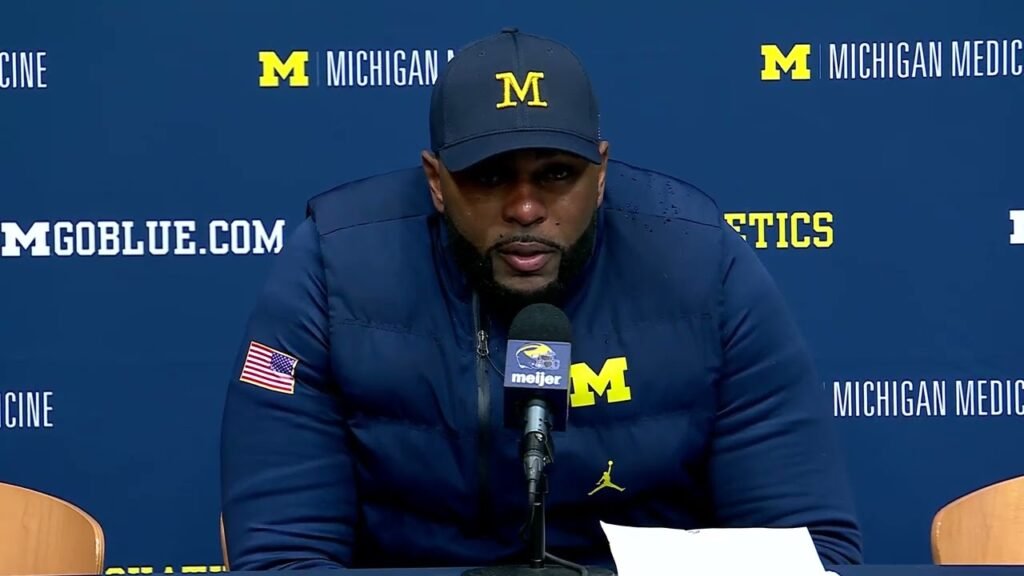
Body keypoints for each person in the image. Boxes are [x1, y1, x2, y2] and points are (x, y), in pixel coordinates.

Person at [219, 28, 863, 571]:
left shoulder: (701, 262)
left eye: (556, 174)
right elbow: (284, 555)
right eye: (489, 176)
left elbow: (808, 550)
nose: (525, 208)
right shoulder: (334, 267)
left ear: (601, 173)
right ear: (436, 182)